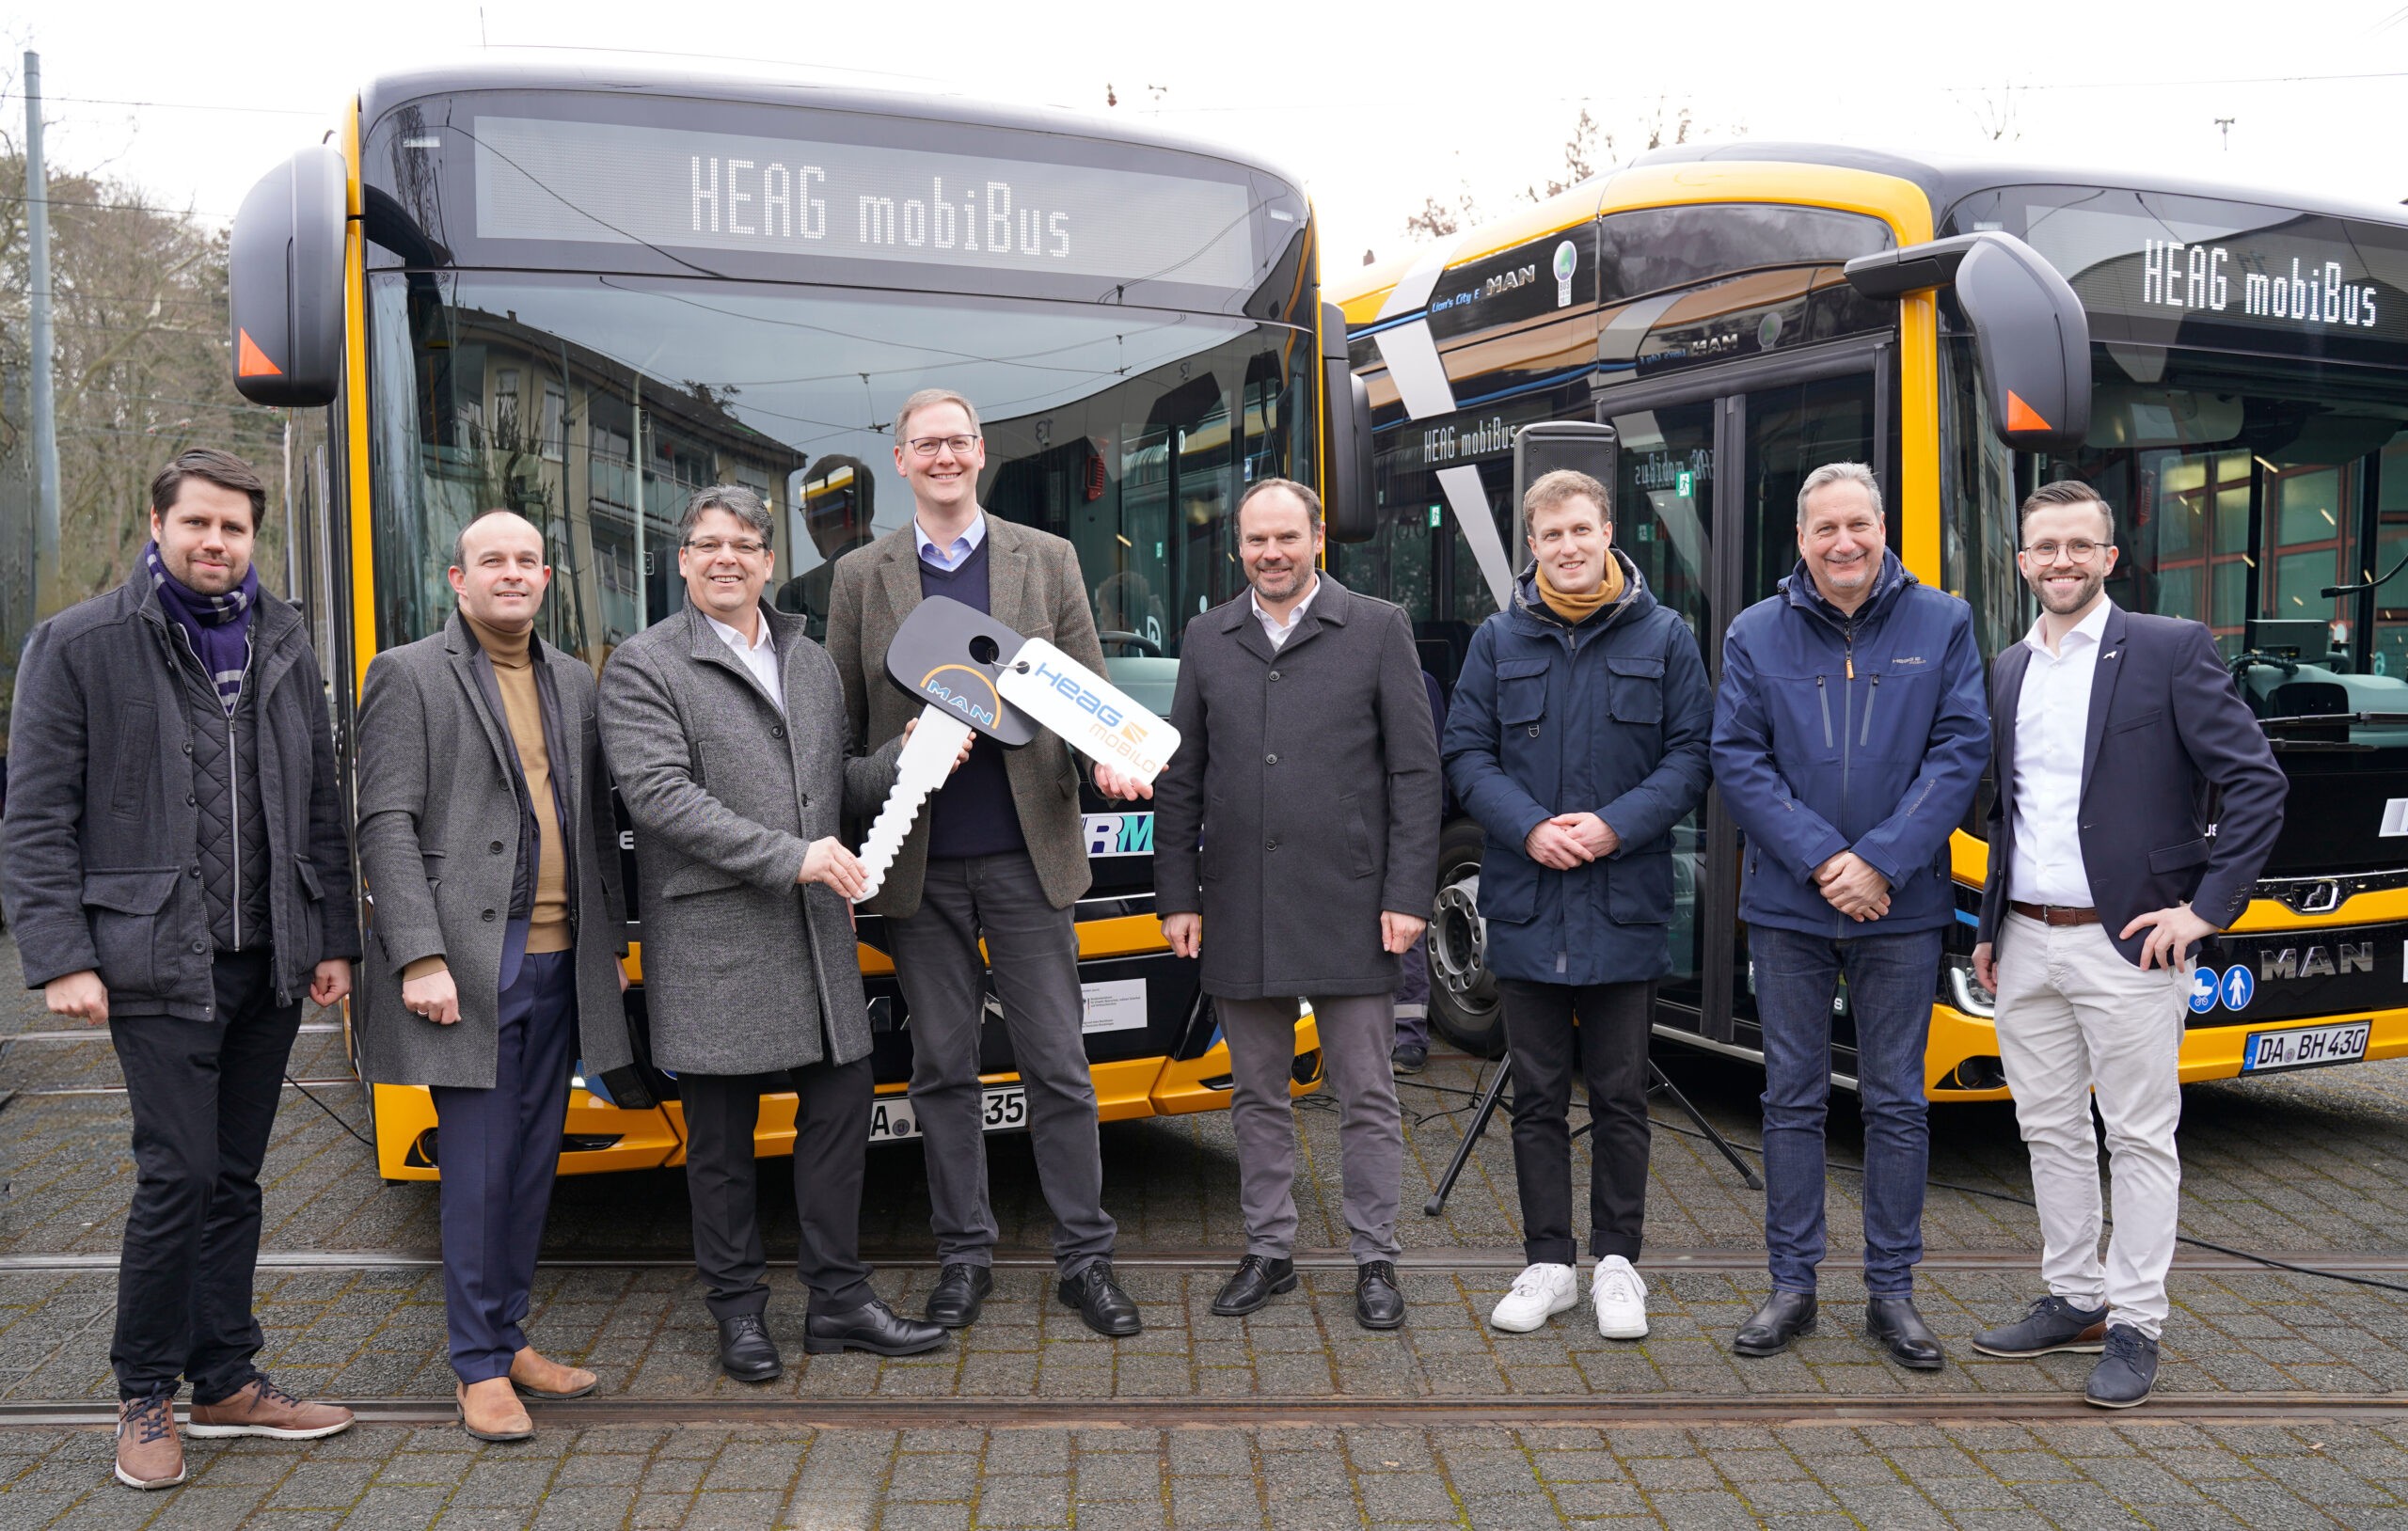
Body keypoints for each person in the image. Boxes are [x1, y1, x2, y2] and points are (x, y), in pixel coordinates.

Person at [2, 449, 359, 1489]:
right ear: (157, 524)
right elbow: (34, 819)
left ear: (255, 537)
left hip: (269, 958)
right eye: (198, 523)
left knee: (238, 1177)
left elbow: (319, 807)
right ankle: (145, 1390)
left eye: (235, 528)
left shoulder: (286, 638)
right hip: (151, 957)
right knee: (179, 1174)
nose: (216, 542)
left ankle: (226, 1377)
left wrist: (331, 932)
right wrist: (60, 954)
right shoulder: (79, 644)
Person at [600, 484, 950, 1381]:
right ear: (682, 561)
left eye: (744, 544)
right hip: (717, 938)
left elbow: (833, 782)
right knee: (720, 1146)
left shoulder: (808, 659)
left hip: (814, 938)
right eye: (706, 543)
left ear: (767, 559)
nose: (726, 557)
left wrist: (907, 757)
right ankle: (738, 1312)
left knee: (840, 1118)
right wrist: (791, 856)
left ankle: (838, 1301)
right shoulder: (644, 664)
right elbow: (661, 798)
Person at [825, 387, 1150, 1339]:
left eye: (959, 441)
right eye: (926, 444)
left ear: (980, 452)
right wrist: (880, 797)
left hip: (1027, 857)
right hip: (917, 871)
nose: (944, 457)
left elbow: (1088, 700)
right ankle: (963, 1258)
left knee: (1057, 1065)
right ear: (899, 459)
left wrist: (1108, 757)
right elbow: (841, 742)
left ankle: (1084, 1260)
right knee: (941, 1072)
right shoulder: (859, 577)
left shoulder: (1046, 558)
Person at [1969, 481, 2285, 1409]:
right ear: (2021, 562)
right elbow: (2007, 814)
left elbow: (2256, 783)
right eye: (2043, 547)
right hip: (2025, 939)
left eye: (2079, 544)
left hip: (2132, 943)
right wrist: (1990, 929)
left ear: (2109, 557)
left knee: (2140, 1133)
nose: (2060, 560)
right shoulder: (2005, 669)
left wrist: (2205, 911)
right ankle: (2074, 1296)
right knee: (2048, 1126)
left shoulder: (2167, 649)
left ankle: (2136, 1318)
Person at [352, 508, 633, 1441]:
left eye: (526, 560)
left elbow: (595, 818)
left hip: (563, 958)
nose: (510, 573)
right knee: (474, 1169)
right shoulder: (406, 674)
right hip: (469, 966)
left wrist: (614, 947)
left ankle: (506, 1336)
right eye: (491, 560)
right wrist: (419, 951)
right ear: (456, 579)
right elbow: (384, 821)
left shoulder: (575, 680)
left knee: (530, 1166)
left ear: (545, 578)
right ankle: (476, 1366)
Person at [1710, 461, 1988, 1369]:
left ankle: (1892, 1294)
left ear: (1882, 527)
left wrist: (1882, 862)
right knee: (1789, 1099)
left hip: (1901, 909)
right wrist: (1831, 861)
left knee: (1898, 1102)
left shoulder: (1942, 621)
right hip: (1792, 907)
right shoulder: (1754, 632)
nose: (1843, 543)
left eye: (1858, 525)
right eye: (1824, 528)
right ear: (1801, 540)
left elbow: (1961, 751)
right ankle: (1792, 1284)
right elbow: (1738, 760)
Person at [1152, 478, 1441, 1329]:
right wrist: (1179, 894)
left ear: (1319, 538)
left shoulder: (1379, 628)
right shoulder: (1208, 637)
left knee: (1366, 1091)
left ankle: (1375, 1259)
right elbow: (1182, 780)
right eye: (1254, 541)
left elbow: (1416, 775)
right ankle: (1269, 1251)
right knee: (1256, 1094)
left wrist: (1407, 895)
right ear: (1237, 548)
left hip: (1355, 904)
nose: (1270, 554)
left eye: (1286, 537)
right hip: (1238, 901)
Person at [1443, 469, 1712, 1339]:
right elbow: (1466, 754)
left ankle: (1618, 1265)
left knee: (1625, 1094)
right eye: (1550, 534)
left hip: (1621, 897)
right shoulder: (1496, 641)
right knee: (1536, 1093)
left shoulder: (1667, 637)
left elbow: (1692, 755)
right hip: (1527, 899)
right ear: (1532, 546)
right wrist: (1527, 830)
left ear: (1608, 532)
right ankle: (1549, 1263)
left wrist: (1612, 828)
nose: (1567, 547)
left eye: (1581, 530)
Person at [1391, 669, 1448, 1076]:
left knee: (1404, 932)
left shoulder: (1416, 680)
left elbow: (1431, 762)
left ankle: (1408, 1035)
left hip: (1400, 825)